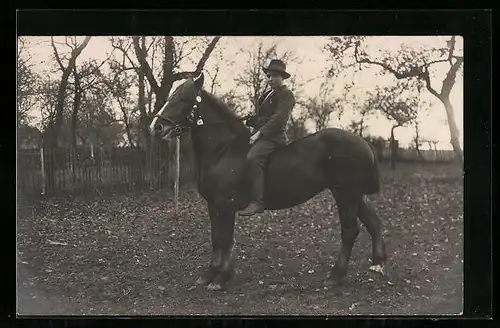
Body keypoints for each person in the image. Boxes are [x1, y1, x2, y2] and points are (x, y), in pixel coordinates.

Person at [238, 59, 296, 216]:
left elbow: (278, 119)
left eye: (275, 76)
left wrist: (258, 133)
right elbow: (263, 117)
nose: (271, 79)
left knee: (253, 158)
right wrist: (246, 120)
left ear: (282, 77)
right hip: (264, 135)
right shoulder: (267, 94)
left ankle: (257, 202)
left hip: (274, 138)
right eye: (269, 76)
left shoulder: (286, 94)